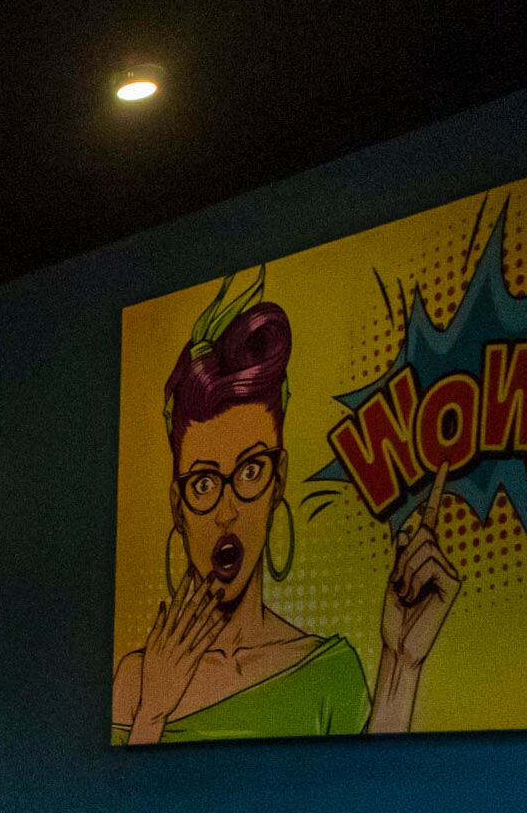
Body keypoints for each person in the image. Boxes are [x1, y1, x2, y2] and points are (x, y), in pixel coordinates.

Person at [113, 273, 459, 743]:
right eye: (204, 483)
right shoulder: (137, 680)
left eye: (250, 471)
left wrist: (401, 662)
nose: (227, 511)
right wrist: (152, 714)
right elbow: (120, 793)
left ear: (278, 481)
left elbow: (366, 790)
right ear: (178, 505)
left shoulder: (330, 671)